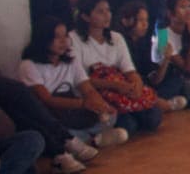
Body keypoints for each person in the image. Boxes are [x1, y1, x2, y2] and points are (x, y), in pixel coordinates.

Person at [18, 16, 129, 150]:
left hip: (73, 112)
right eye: (57, 37)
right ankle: (94, 140)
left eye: (65, 36)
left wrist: (101, 105)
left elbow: (87, 88)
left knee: (111, 115)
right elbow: (46, 99)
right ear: (43, 39)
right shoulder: (29, 65)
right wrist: (83, 104)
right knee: (54, 132)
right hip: (51, 115)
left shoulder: (70, 60)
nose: (63, 41)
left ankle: (87, 140)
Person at [70, 0, 166, 135]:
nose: (107, 15)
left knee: (153, 118)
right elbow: (81, 79)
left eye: (108, 10)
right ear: (85, 16)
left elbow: (130, 70)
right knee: (129, 125)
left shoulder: (116, 37)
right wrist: (116, 86)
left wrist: (137, 87)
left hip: (123, 90)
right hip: (97, 93)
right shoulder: (74, 39)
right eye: (100, 11)